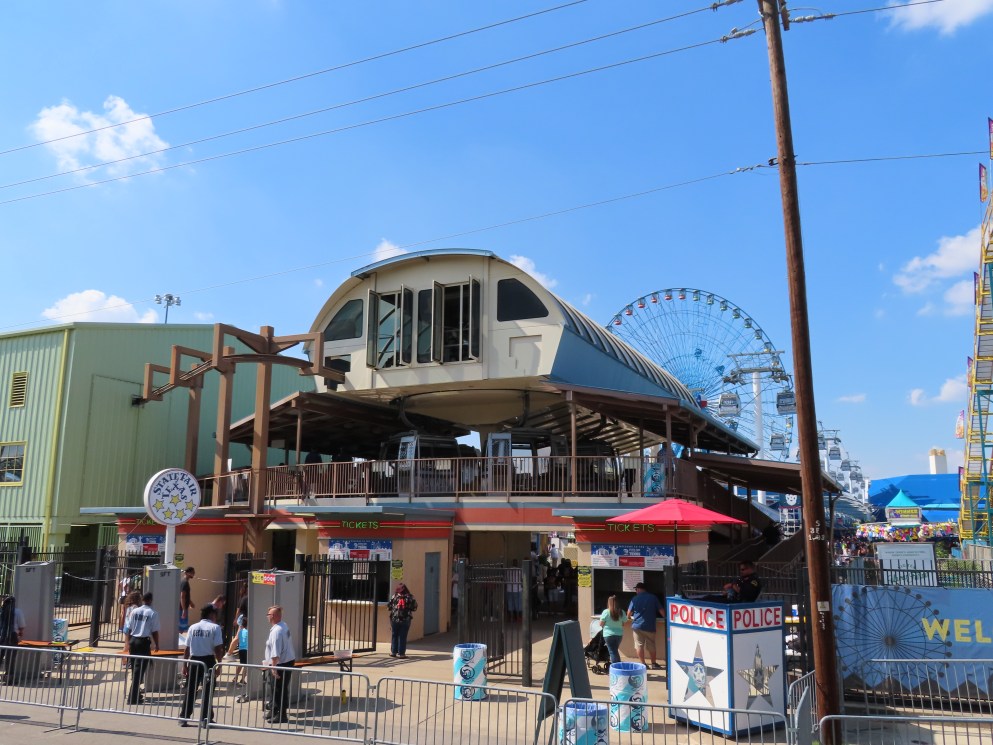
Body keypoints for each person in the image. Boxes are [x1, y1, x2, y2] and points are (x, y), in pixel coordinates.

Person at [179, 605, 224, 726]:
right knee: (208, 690)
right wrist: (219, 664)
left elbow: (187, 648)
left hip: (194, 661)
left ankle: (184, 717)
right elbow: (218, 648)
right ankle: (205, 718)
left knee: (190, 690)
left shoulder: (193, 627)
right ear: (211, 614)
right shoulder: (215, 627)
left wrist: (185, 664)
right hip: (208, 661)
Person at [127, 592, 161, 704]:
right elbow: (154, 631)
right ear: (151, 600)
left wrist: (129, 643)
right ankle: (133, 697)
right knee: (140, 670)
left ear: (142, 599)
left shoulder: (134, 611)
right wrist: (157, 644)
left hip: (133, 641)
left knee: (135, 670)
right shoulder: (153, 613)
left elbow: (129, 628)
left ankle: (136, 694)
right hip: (143, 642)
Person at [264, 605, 296, 724]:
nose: (267, 617)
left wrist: (274, 668)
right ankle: (274, 710)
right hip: (286, 661)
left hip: (281, 663)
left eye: (268, 615)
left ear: (273, 616)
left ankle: (281, 715)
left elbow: (275, 652)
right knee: (276, 688)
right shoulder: (283, 625)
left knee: (279, 690)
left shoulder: (277, 631)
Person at [627, 582, 663, 670]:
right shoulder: (653, 597)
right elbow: (661, 610)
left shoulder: (635, 599)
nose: (636, 591)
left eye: (636, 589)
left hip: (637, 626)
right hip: (650, 626)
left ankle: (643, 664)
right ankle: (653, 663)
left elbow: (628, 614)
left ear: (639, 589)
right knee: (651, 645)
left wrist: (629, 617)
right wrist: (666, 618)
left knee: (639, 645)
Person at [387, 583, 417, 658]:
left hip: (394, 618)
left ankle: (393, 652)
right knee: (403, 636)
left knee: (394, 635)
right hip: (405, 619)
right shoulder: (410, 597)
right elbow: (414, 608)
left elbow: (389, 606)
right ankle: (401, 654)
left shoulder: (394, 596)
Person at [599, 595, 628, 665]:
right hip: (619, 635)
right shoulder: (621, 612)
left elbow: (601, 624)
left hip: (608, 634)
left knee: (612, 652)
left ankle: (616, 667)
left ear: (609, 602)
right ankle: (618, 665)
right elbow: (624, 623)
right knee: (615, 651)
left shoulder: (606, 612)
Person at [226, 612, 248, 686]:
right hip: (246, 649)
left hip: (241, 649)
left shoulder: (240, 632)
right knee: (246, 665)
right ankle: (242, 679)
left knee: (241, 664)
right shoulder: (248, 632)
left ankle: (236, 677)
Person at [179, 567, 195, 632]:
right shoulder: (185, 583)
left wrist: (191, 603)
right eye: (192, 572)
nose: (194, 574)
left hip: (182, 608)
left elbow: (185, 596)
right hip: (181, 609)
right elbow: (182, 596)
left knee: (182, 628)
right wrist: (184, 610)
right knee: (181, 629)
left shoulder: (183, 581)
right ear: (187, 573)